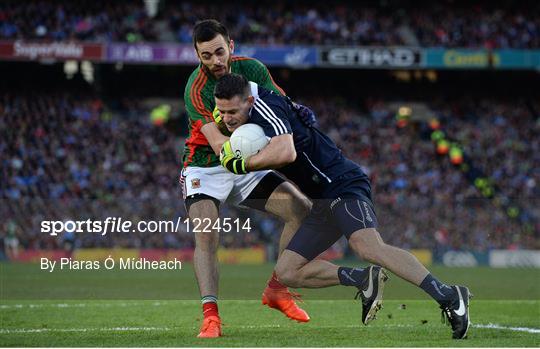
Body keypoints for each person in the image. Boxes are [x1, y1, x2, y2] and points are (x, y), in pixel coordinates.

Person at [215, 74, 472, 339]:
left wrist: (242, 164)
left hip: (342, 183)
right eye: (222, 112)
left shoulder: (267, 109)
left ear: (248, 101)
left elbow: (286, 153)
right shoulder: (249, 111)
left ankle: (450, 296)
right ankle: (362, 279)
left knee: (368, 246)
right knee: (287, 271)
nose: (227, 118)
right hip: (322, 199)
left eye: (232, 111)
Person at [182, 19, 313, 338]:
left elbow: (281, 106)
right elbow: (217, 144)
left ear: (231, 47)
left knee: (300, 210)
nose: (214, 61)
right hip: (205, 166)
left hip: (245, 162)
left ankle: (278, 290)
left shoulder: (253, 70)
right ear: (198, 55)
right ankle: (210, 316)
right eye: (206, 56)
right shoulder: (196, 90)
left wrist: (298, 113)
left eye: (219, 52)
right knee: (207, 234)